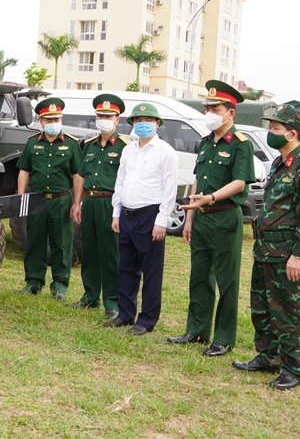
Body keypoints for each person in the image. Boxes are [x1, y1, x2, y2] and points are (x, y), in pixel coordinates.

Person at [232, 104, 300, 390]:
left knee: (288, 312)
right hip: (266, 250)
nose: (270, 133)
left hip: (287, 253)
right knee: (262, 309)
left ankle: (294, 369)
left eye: (275, 129)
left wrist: (299, 254)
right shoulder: (278, 163)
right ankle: (268, 356)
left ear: (292, 133)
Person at [168, 81, 256, 357]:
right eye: (207, 107)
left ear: (230, 113)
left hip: (225, 217)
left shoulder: (241, 144)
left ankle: (223, 338)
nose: (209, 112)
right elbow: (197, 181)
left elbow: (240, 182)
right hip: (203, 218)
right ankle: (196, 330)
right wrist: (191, 218)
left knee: (226, 280)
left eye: (215, 108)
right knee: (199, 277)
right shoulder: (205, 143)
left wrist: (213, 198)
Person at [105, 103, 177, 335]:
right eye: (138, 120)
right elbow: (121, 181)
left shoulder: (165, 151)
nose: (143, 124)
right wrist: (116, 212)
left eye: (148, 120)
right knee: (126, 268)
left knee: (151, 271)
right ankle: (125, 314)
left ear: (157, 124)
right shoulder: (128, 149)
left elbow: (169, 188)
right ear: (133, 124)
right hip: (127, 215)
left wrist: (162, 219)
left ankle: (147, 319)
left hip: (150, 216)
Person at [70, 94, 131, 320]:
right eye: (100, 115)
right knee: (91, 250)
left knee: (111, 253)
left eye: (108, 116)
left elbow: (126, 180)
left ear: (117, 120)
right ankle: (90, 295)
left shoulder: (125, 146)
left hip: (111, 202)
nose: (103, 119)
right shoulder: (88, 145)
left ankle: (112, 301)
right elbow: (81, 177)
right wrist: (78, 203)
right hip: (91, 202)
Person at [16, 98, 81, 300]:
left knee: (61, 243)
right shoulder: (32, 143)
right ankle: (33, 282)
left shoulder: (71, 144)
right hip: (36, 199)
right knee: (34, 241)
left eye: (56, 119)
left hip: (61, 200)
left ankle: (60, 286)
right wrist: (20, 197)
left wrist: (77, 202)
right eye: (49, 120)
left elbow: (78, 175)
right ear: (42, 122)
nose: (53, 123)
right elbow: (24, 170)